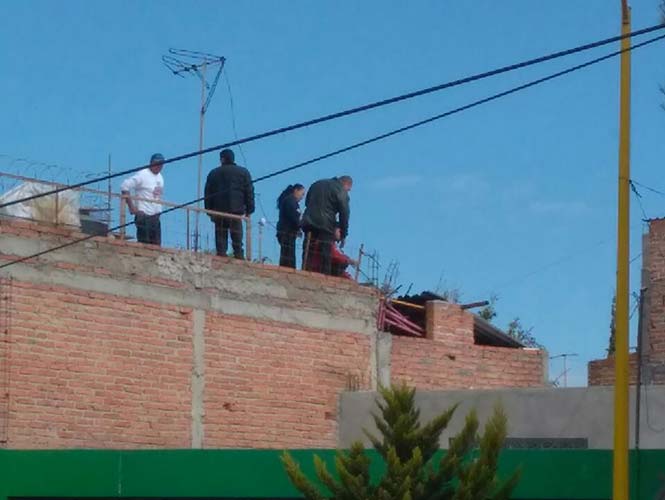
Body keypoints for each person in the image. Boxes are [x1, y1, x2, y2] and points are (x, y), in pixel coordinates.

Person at [204, 148, 255, 259]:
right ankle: (239, 256)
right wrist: (249, 210)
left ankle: (221, 257)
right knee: (237, 238)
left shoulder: (213, 173)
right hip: (236, 211)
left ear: (222, 159)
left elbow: (208, 194)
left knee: (221, 239)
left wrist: (209, 211)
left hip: (219, 212)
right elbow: (249, 192)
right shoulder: (243, 173)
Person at [301, 175, 352, 275]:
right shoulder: (341, 190)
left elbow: (307, 202)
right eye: (348, 189)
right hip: (326, 224)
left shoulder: (317, 184)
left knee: (308, 248)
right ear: (346, 184)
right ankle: (325, 276)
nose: (348, 192)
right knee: (326, 251)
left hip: (309, 220)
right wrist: (343, 234)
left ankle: (305, 271)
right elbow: (344, 213)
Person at [120, 153, 165, 246]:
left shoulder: (160, 177)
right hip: (143, 215)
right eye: (156, 163)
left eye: (161, 164)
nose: (159, 166)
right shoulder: (143, 174)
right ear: (151, 163)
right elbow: (125, 186)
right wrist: (131, 207)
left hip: (155, 217)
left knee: (156, 246)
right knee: (144, 244)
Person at [276, 183, 305, 268]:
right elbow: (294, 217)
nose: (302, 197)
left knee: (287, 254)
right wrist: (300, 225)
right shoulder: (291, 201)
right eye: (302, 194)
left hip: (286, 232)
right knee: (288, 256)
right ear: (296, 190)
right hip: (287, 233)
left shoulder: (289, 201)